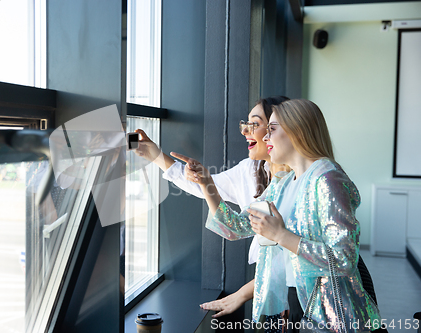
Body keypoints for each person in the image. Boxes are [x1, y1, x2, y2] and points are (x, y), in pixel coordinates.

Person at [184, 99, 382, 332]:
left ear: (296, 131)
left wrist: (281, 235)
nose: (265, 138)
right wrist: (207, 183)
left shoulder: (328, 178)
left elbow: (343, 258)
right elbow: (236, 227)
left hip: (328, 311)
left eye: (272, 129)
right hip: (294, 299)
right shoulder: (283, 183)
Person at [134, 96, 291, 321]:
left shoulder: (297, 180)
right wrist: (156, 156)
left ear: (280, 128)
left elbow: (296, 256)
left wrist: (242, 294)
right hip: (269, 288)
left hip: (294, 291)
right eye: (245, 124)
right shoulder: (253, 170)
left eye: (254, 124)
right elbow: (233, 222)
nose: (245, 131)